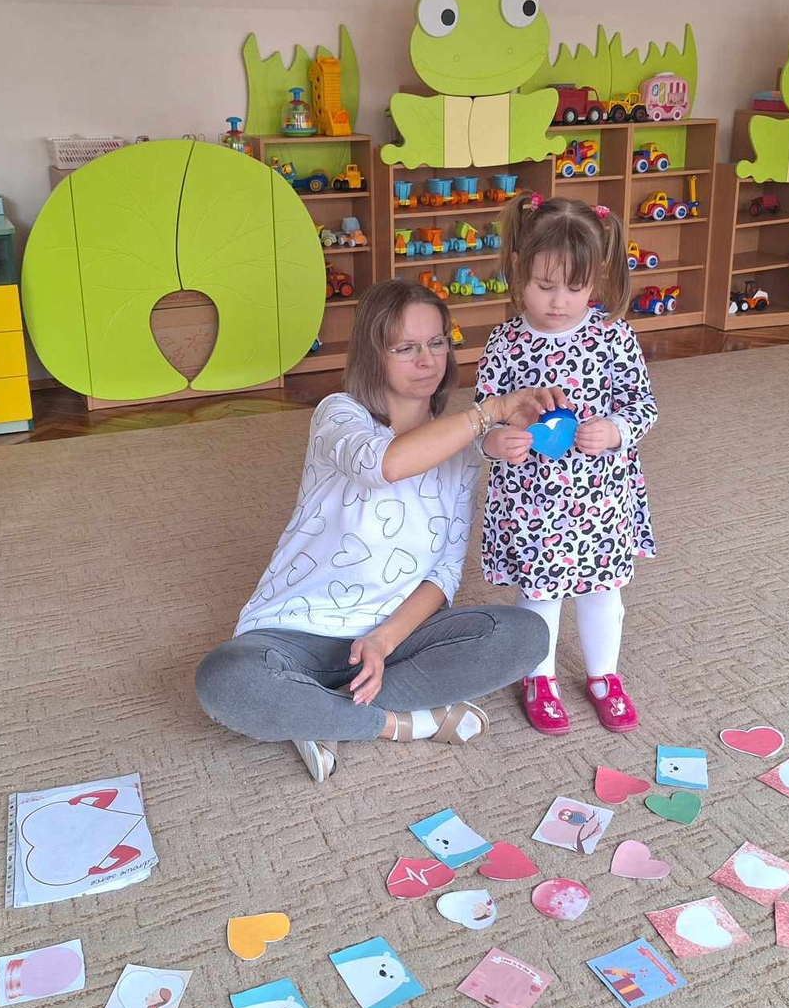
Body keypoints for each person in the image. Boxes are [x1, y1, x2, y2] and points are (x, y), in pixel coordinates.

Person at [195, 279, 567, 782]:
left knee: (524, 635)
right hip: (295, 631)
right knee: (226, 680)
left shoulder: (463, 449)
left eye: (437, 342)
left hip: (393, 641)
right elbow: (383, 464)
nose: (427, 360)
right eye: (405, 348)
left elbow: (444, 575)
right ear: (374, 354)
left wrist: (384, 640)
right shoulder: (338, 413)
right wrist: (491, 412)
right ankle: (395, 724)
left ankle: (317, 714)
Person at [476, 193, 658, 735]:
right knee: (540, 594)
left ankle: (604, 676)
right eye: (544, 285)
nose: (558, 302)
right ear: (519, 269)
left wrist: (616, 429)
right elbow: (482, 417)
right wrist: (496, 442)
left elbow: (643, 405)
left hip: (600, 498)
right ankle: (539, 677)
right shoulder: (505, 343)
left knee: (604, 592)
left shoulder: (614, 336)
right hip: (533, 502)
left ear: (596, 280)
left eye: (575, 288)